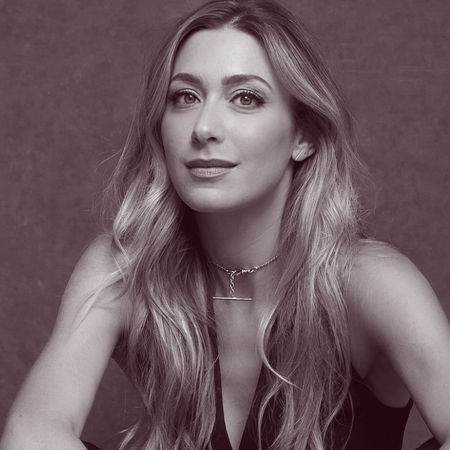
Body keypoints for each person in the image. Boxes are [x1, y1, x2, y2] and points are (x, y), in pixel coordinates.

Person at [1, 1, 449, 449]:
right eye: (185, 97)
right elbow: (30, 434)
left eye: (246, 98)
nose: (204, 127)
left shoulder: (368, 280)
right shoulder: (126, 267)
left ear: (304, 135)